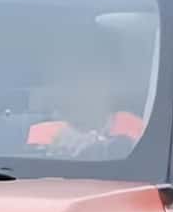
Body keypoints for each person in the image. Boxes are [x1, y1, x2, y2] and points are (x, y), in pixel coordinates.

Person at [24, 30, 148, 159]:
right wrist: (60, 151)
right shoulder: (43, 133)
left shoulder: (135, 128)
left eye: (85, 77)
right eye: (67, 79)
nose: (75, 89)